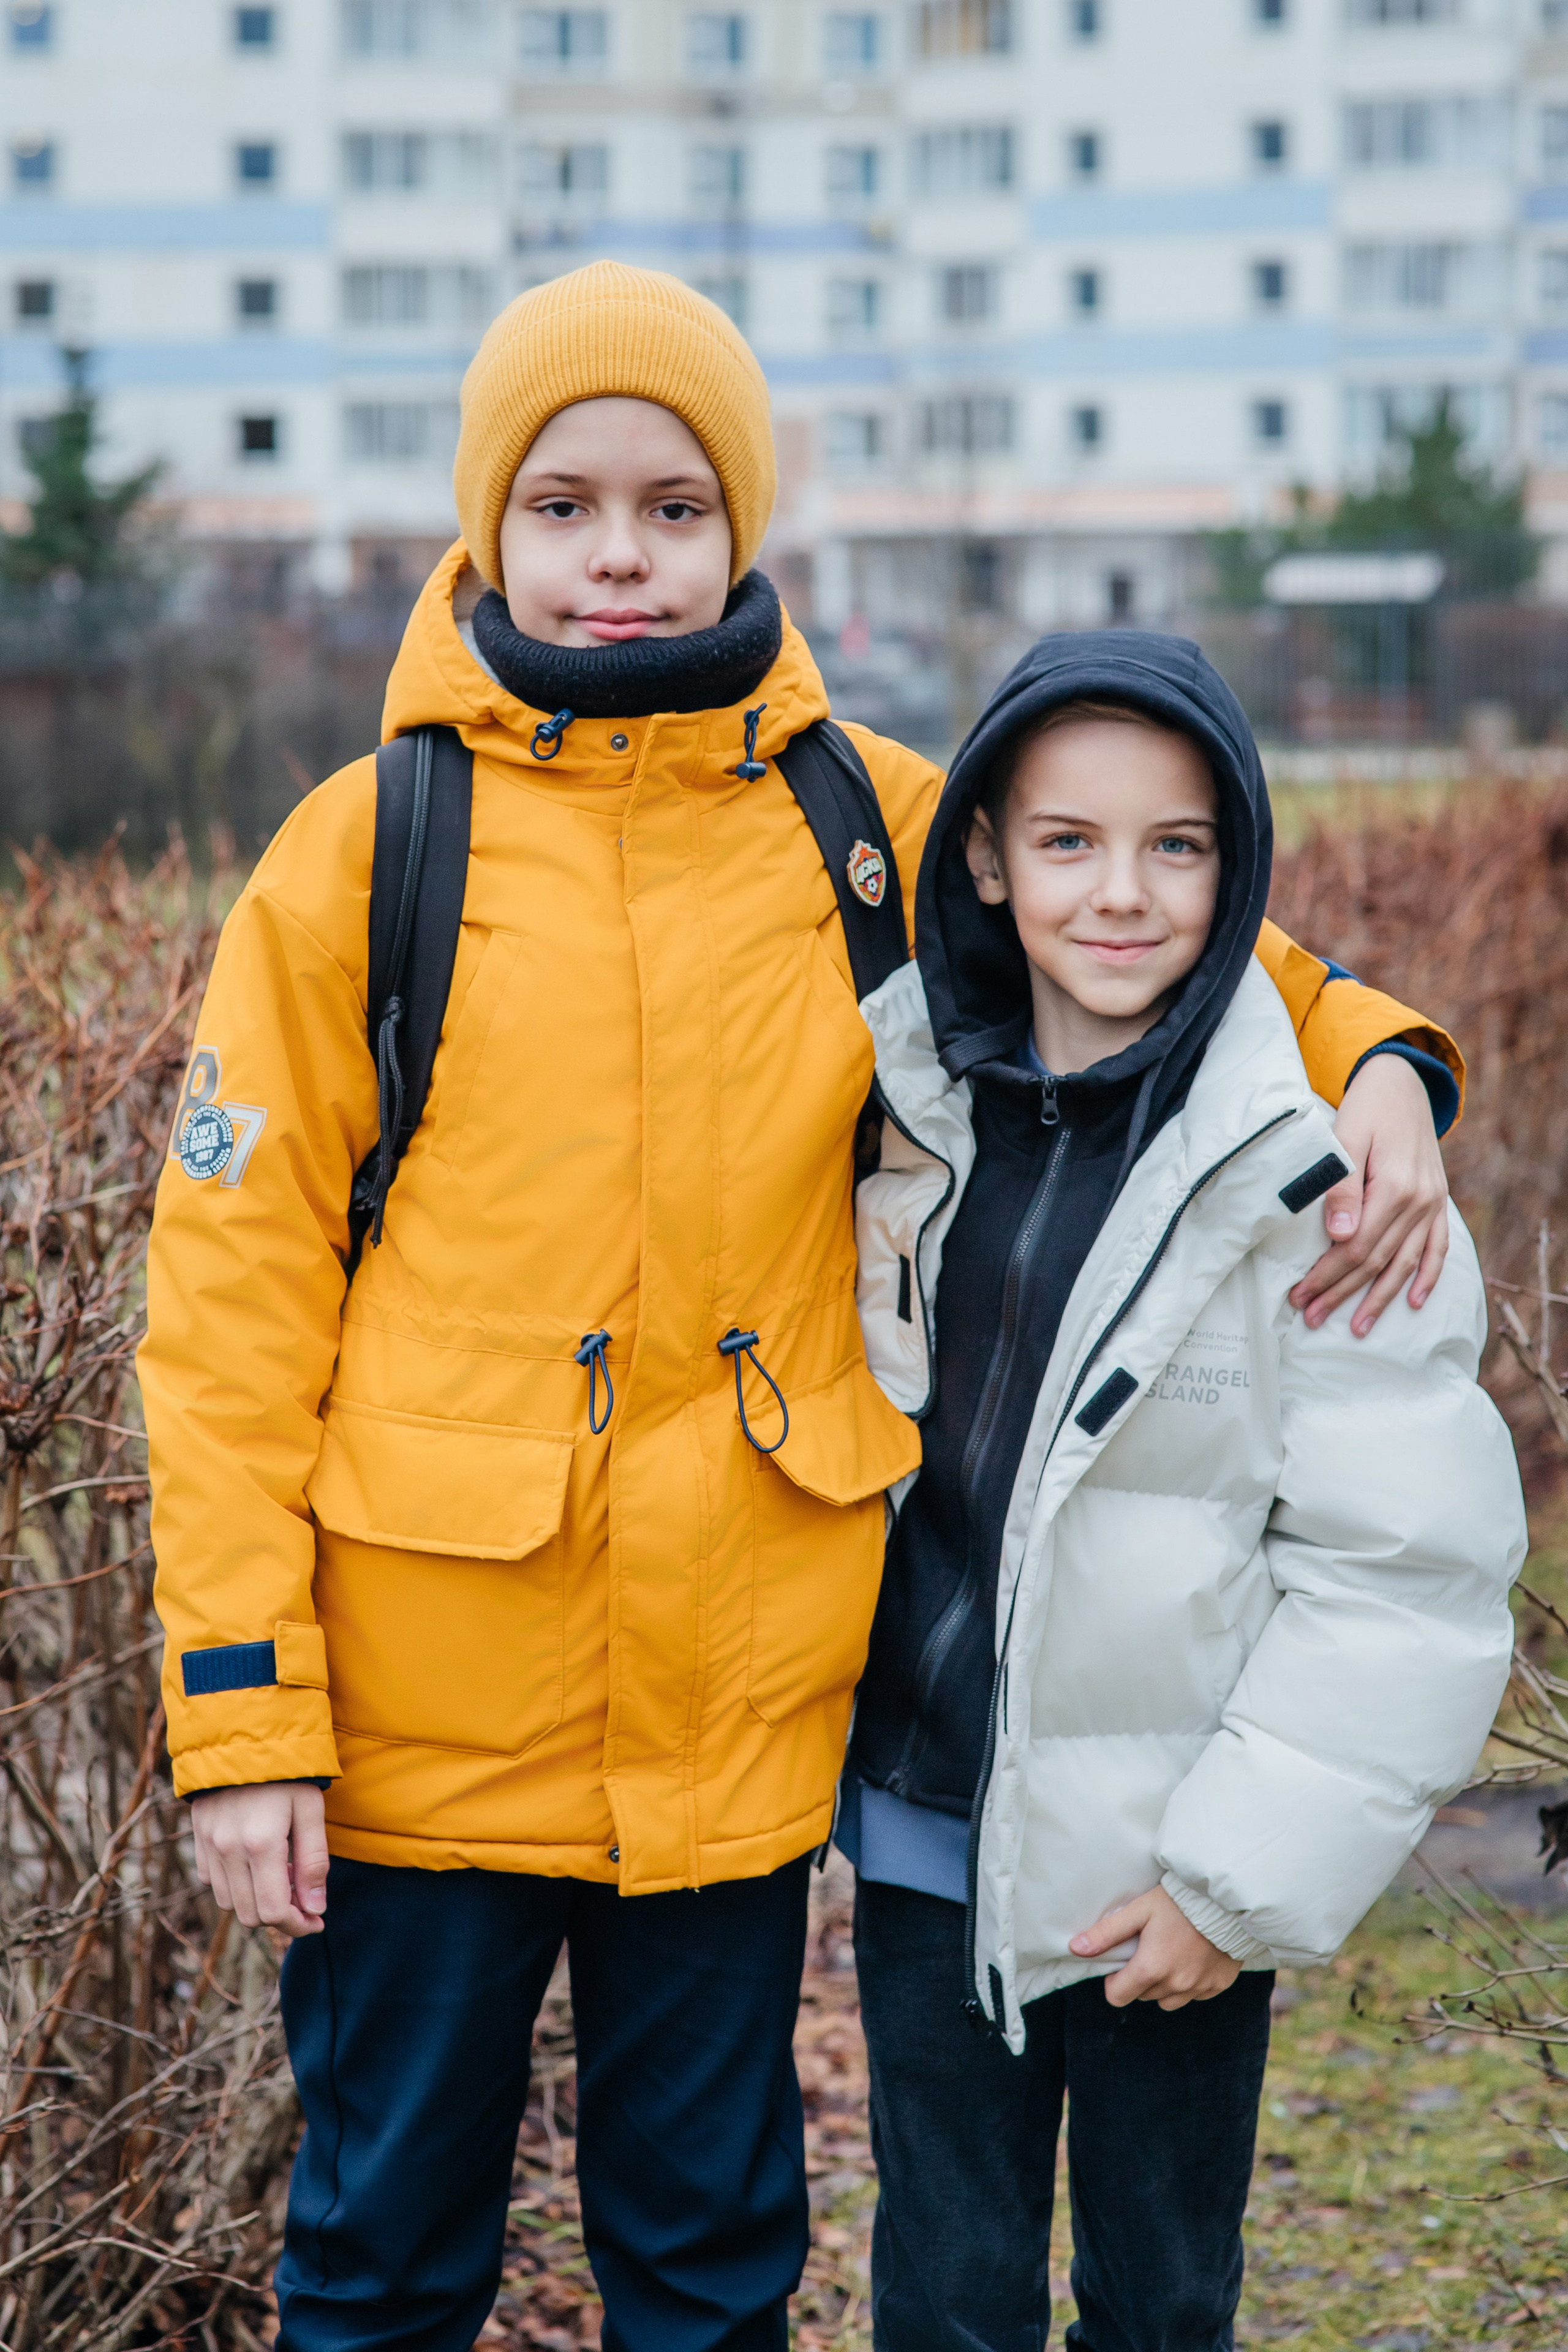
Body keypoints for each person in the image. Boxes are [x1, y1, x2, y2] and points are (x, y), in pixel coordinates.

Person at [142, 265, 1464, 2352]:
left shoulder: (864, 822)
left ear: (744, 523)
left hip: (732, 1721)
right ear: (488, 523)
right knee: (380, 2263)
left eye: (675, 504)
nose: (619, 559)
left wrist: (1389, 1058)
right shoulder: (365, 851)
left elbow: (1157, 936)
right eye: (564, 504)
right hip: (416, 1728)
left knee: (708, 2268)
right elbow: (224, 1318)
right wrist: (241, 1723)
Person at [845, 635, 1525, 2352]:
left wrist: (1235, 1883)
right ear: (987, 857)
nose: (1123, 893)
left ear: (1239, 868)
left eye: (1179, 845)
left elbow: (1404, 1575)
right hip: (931, 1835)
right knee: (947, 2288)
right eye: (1068, 842)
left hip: (1173, 1859)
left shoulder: (1330, 1184)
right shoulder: (902, 1112)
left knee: (1158, 2302)